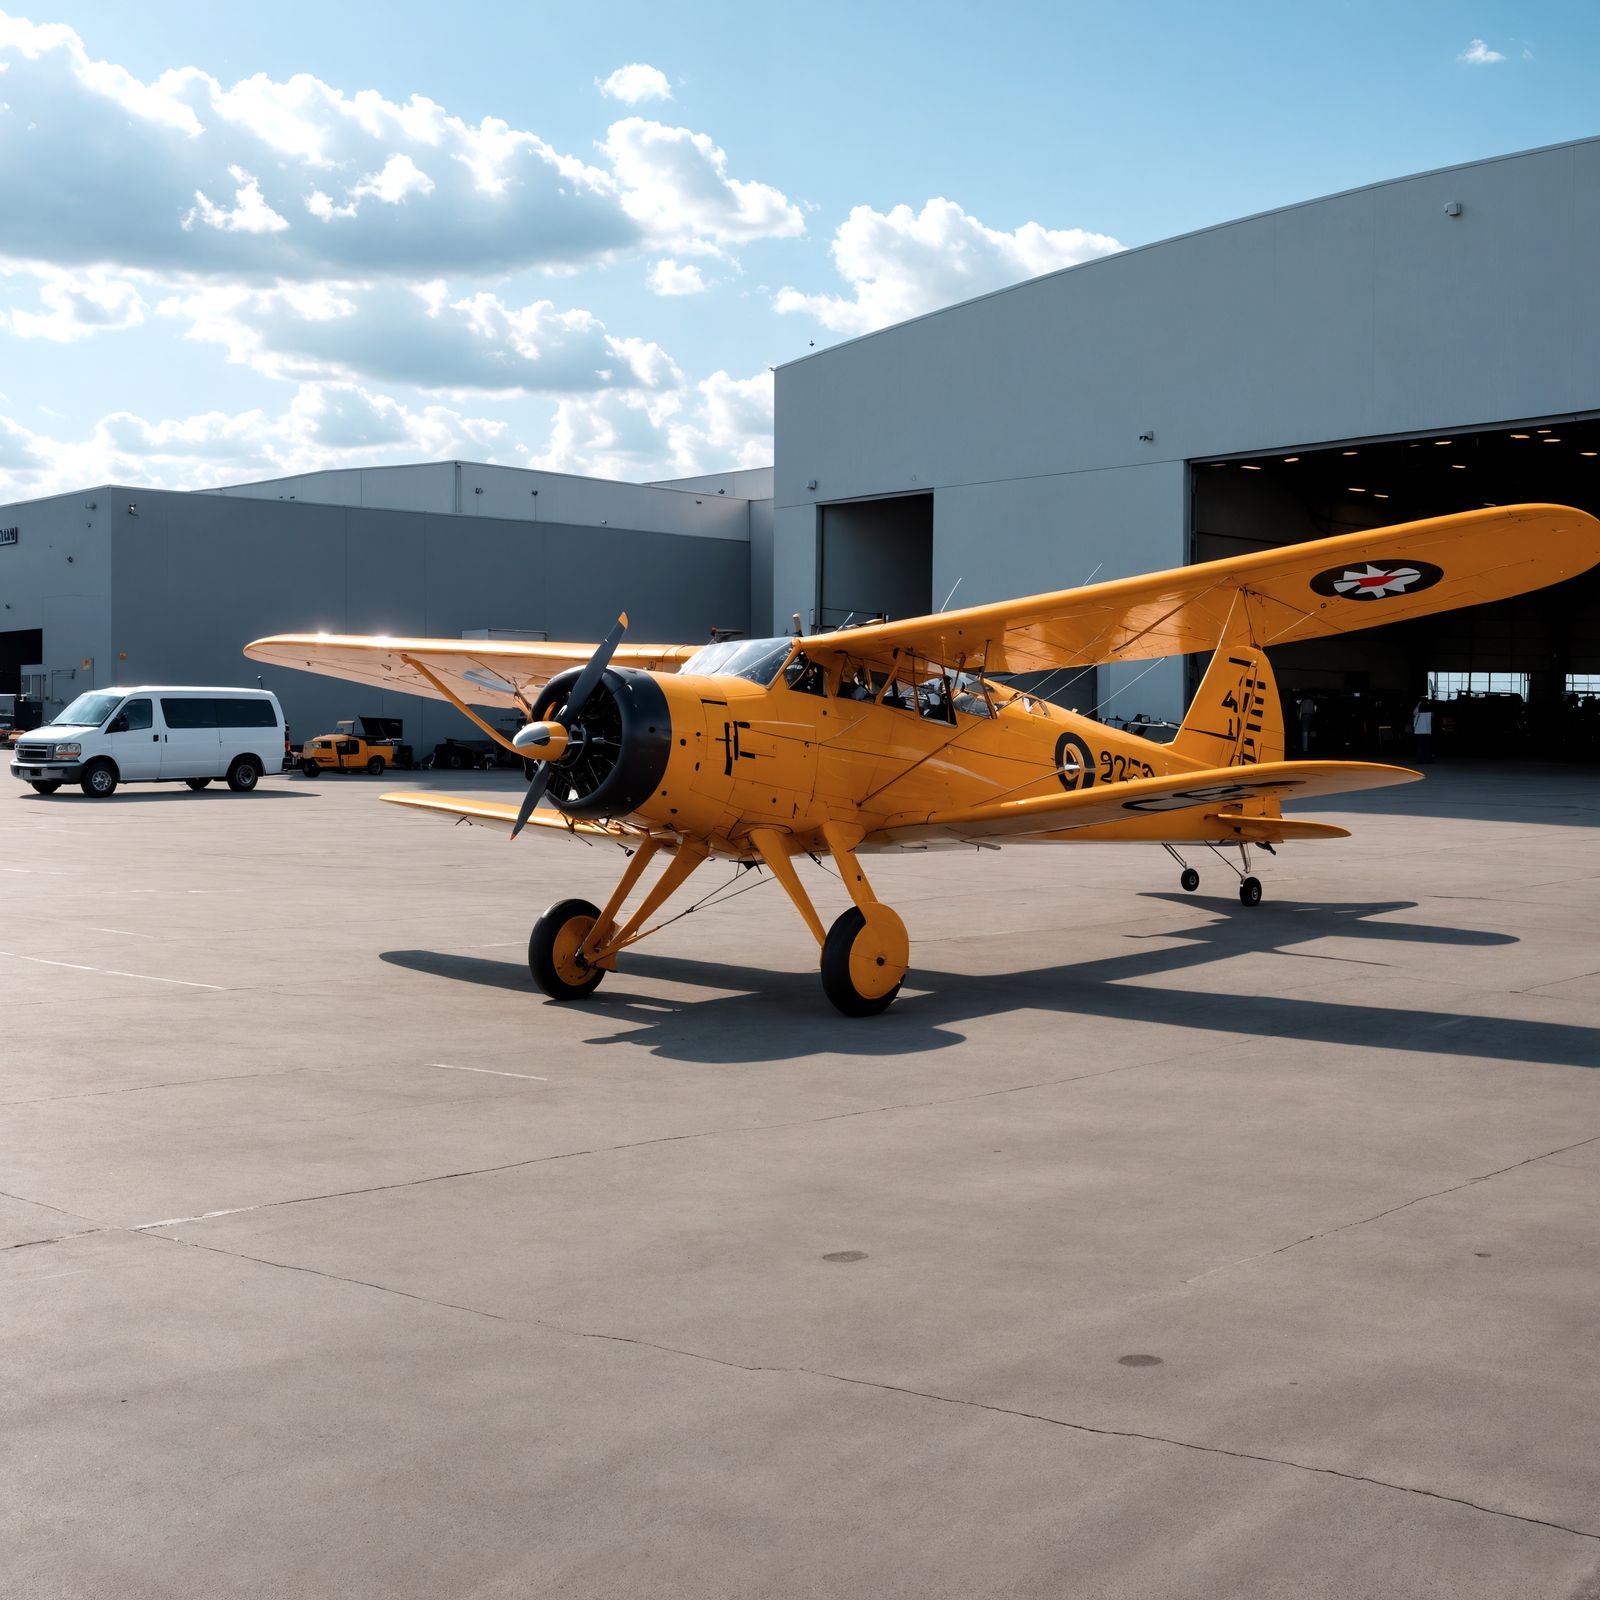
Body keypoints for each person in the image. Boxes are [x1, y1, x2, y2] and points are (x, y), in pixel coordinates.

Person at [1412, 698, 1434, 763]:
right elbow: (1433, 716)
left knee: (1420, 745)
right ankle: (1428, 759)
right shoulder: (1429, 709)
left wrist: (1418, 705)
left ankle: (1420, 759)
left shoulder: (1418, 708)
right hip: (1427, 730)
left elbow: (1414, 713)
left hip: (1419, 730)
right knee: (1427, 745)